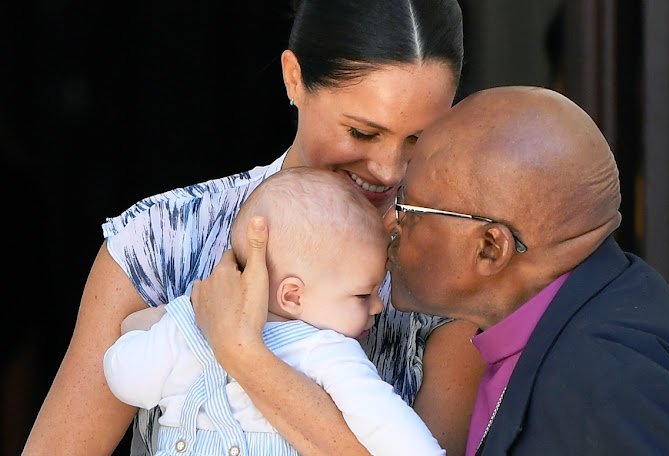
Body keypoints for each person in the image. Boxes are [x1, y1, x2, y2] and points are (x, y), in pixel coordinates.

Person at [23, 1, 485, 455]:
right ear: (294, 78)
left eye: (419, 139)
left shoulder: (450, 271)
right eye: (362, 133)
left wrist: (242, 352)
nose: (388, 170)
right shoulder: (165, 237)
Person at [195, 85, 669, 456]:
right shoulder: (579, 314)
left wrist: (244, 357)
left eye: (408, 207)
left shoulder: (607, 384)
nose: (387, 222)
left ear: (490, 248)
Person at [102, 167, 446, 456]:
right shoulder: (325, 351)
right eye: (362, 294)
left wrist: (163, 320)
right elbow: (402, 440)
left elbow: (126, 380)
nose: (379, 305)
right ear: (292, 295)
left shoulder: (191, 326)